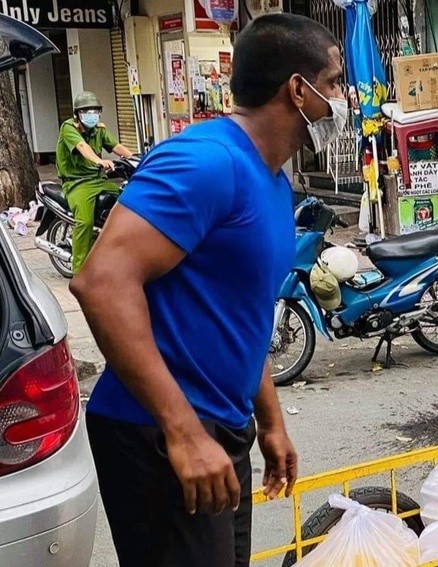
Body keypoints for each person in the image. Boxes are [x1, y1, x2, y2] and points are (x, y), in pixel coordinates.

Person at [70, 14, 347, 567]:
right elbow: (100, 282)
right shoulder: (206, 161)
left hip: (220, 427)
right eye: (336, 82)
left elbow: (239, 312)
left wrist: (268, 419)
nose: (343, 98)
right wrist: (184, 431)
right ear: (298, 90)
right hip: (159, 433)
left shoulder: (270, 178)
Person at [55, 91, 134, 273]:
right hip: (77, 183)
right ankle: (80, 270)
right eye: (86, 112)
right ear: (77, 114)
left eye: (95, 112)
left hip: (98, 180)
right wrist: (99, 161)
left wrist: (139, 159)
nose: (91, 116)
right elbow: (82, 147)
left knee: (128, 201)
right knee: (85, 222)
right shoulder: (69, 128)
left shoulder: (98, 129)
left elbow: (116, 147)